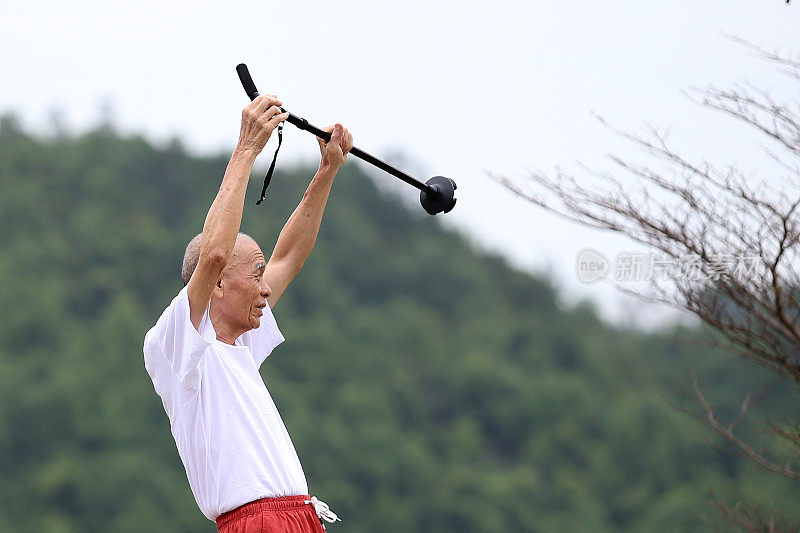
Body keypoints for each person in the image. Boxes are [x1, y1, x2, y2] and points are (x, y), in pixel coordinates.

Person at [143, 94, 352, 532]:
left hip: (299, 516)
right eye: (253, 275)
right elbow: (216, 252)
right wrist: (245, 151)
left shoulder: (241, 341)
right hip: (255, 523)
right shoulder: (175, 344)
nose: (265, 287)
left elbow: (289, 255)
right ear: (217, 284)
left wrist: (327, 170)